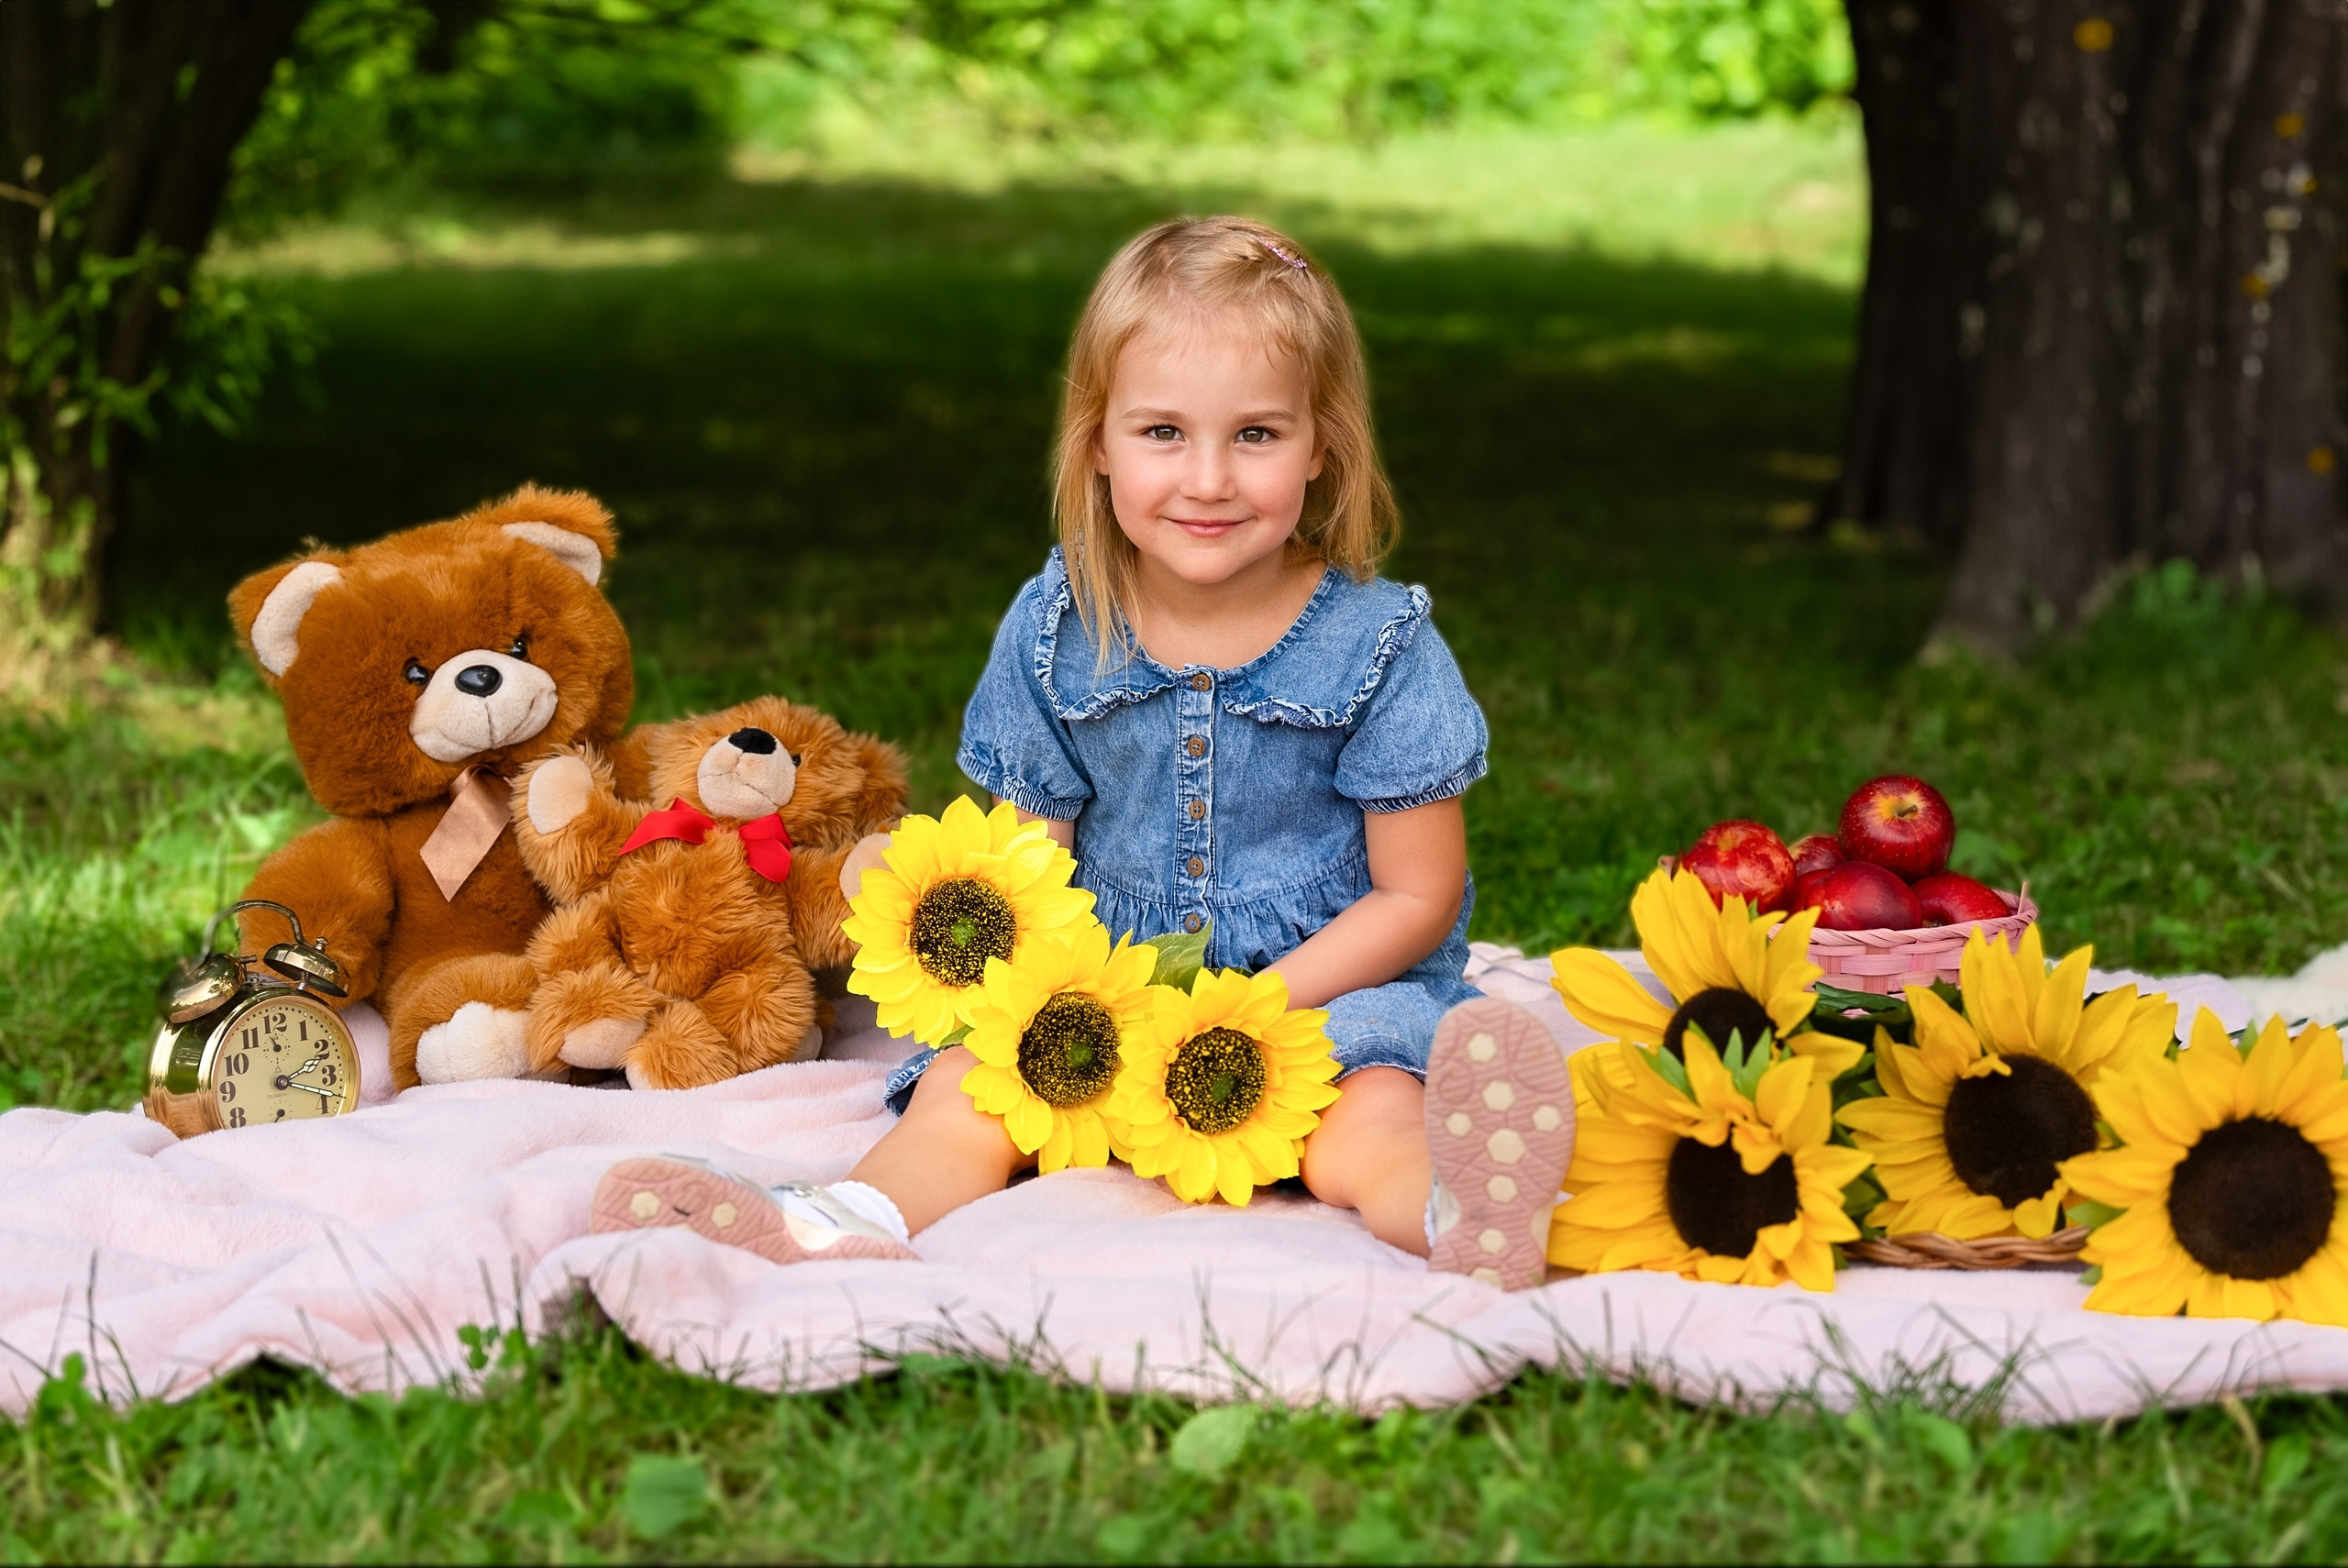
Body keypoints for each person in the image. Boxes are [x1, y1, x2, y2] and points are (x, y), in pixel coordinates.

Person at [593, 216, 1574, 1288]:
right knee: (964, 1090)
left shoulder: (1377, 645)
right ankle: (836, 1213)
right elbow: (1030, 864)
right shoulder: (1061, 624)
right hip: (1097, 997)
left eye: (1256, 435)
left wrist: (1257, 1006)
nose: (1207, 479)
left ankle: (1456, 1216)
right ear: (1097, 442)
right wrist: (970, 941)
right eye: (1162, 432)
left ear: (1322, 443)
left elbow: (1416, 898)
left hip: (1320, 993)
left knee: (1371, 1111)